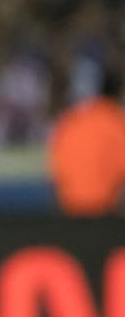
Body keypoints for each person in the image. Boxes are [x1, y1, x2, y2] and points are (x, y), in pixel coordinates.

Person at [48, 68, 125, 216]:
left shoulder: (71, 119)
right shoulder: (117, 121)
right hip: (105, 209)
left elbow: (56, 169)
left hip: (69, 206)